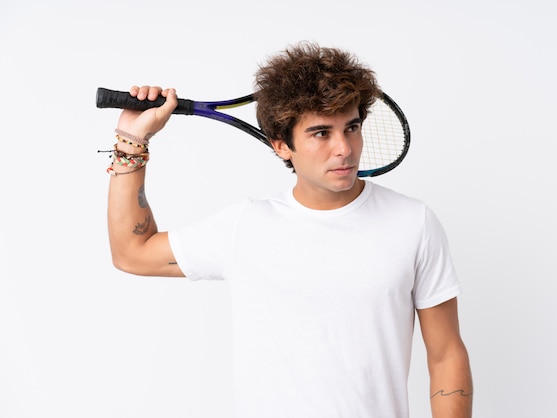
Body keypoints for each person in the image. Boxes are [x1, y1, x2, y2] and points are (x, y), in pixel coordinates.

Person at [106, 42, 473, 418]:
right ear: (282, 145)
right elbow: (131, 252)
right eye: (321, 133)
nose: (344, 148)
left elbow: (446, 354)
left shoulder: (413, 223)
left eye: (352, 127)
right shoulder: (246, 226)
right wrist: (132, 140)